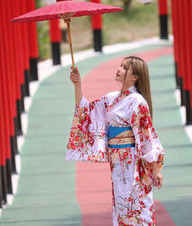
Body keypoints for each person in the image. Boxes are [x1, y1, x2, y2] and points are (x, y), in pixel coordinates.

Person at [67, 56, 165, 226]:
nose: (119, 69)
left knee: (135, 203)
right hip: (117, 159)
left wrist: (155, 170)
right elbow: (87, 112)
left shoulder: (138, 102)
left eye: (124, 68)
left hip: (132, 160)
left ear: (135, 77)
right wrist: (78, 85)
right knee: (121, 204)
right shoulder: (111, 98)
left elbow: (146, 136)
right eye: (120, 66)